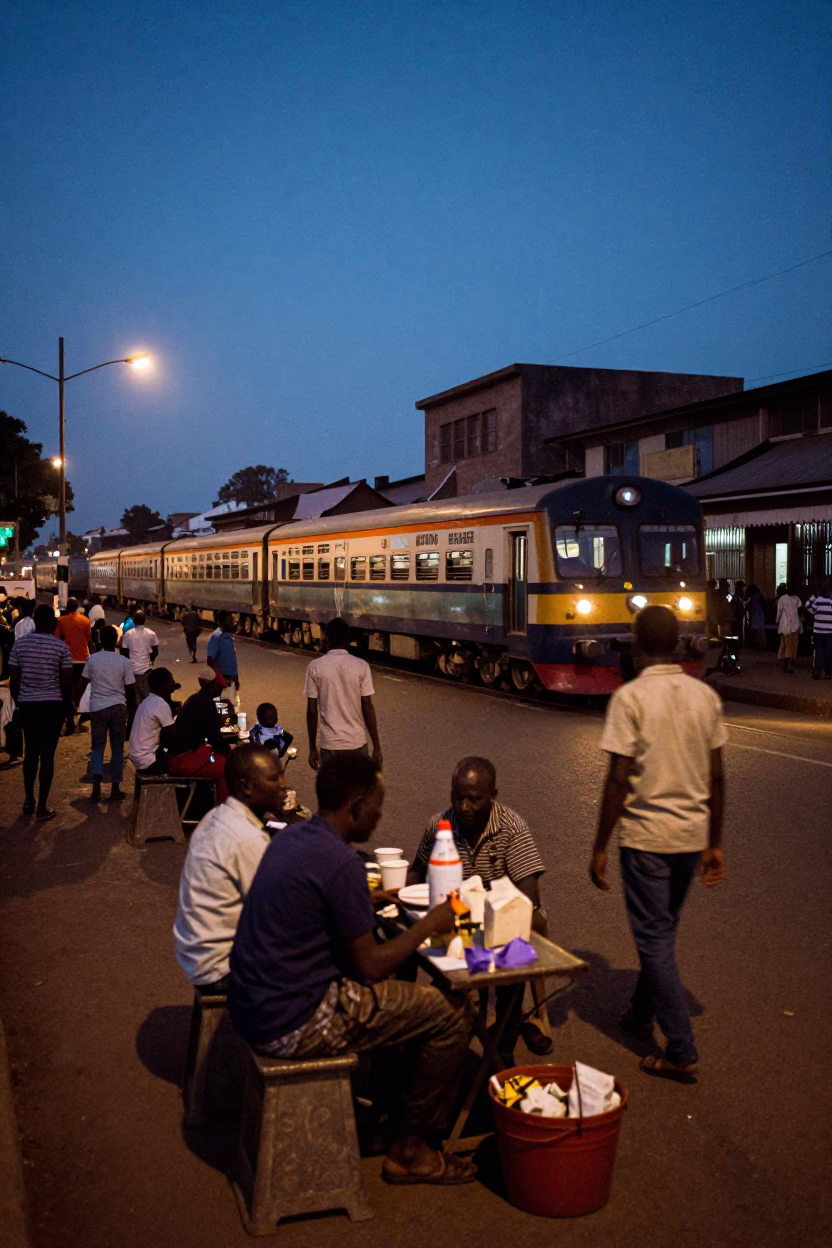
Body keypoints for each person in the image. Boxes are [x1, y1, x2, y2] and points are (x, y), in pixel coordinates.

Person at [229, 754, 476, 1186]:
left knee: (401, 1003)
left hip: (253, 1003)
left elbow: (319, 906)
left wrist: (361, 900)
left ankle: (386, 1114)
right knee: (451, 1012)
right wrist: (431, 926)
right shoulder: (340, 863)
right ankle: (411, 1149)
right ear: (356, 806)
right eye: (376, 808)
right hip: (290, 1020)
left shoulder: (295, 837)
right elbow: (369, 968)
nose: (379, 818)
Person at [590, 605, 726, 1082]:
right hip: (690, 839)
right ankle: (639, 1013)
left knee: (653, 939)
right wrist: (714, 844)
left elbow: (616, 782)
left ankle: (681, 1047)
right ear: (675, 643)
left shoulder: (630, 699)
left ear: (636, 641)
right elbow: (717, 777)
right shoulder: (703, 696)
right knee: (661, 933)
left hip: (647, 840)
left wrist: (600, 847)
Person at [408, 757, 549, 1058]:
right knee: (425, 963)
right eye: (458, 797)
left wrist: (488, 917)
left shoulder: (511, 828)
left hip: (502, 922)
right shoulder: (440, 825)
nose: (464, 807)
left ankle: (505, 1041)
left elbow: (530, 896)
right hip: (454, 924)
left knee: (511, 969)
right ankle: (440, 1032)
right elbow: (416, 872)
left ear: (493, 796)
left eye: (474, 799)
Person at [173, 747, 288, 991]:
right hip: (218, 968)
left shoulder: (219, 816)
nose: (284, 784)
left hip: (195, 952)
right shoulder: (246, 839)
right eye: (274, 778)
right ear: (246, 787)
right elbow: (275, 914)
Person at [7, 604, 74, 821]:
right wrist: (67, 712)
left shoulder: (19, 645)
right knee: (47, 757)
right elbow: (66, 684)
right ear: (54, 624)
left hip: (28, 706)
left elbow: (14, 680)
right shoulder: (61, 648)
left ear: (35, 622)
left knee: (31, 755)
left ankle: (28, 800)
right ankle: (42, 807)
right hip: (52, 707)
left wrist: (20, 701)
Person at [304, 616, 381, 770]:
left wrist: (312, 748)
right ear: (348, 639)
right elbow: (368, 707)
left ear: (326, 638)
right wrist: (376, 746)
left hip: (330, 745)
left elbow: (312, 711)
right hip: (357, 743)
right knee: (357, 791)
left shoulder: (315, 667)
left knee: (332, 792)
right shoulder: (361, 666)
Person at [79, 625, 136, 803]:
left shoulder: (93, 659)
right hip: (118, 708)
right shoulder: (124, 661)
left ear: (100, 641)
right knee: (117, 748)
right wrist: (132, 710)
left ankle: (96, 789)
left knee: (97, 747)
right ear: (116, 642)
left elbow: (82, 682)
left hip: (98, 708)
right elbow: (130, 689)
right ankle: (115, 788)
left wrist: (74, 702)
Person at [167, 668, 232, 802]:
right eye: (218, 688)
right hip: (183, 760)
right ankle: (223, 810)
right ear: (213, 686)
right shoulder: (205, 703)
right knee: (227, 768)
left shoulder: (195, 699)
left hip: (180, 754)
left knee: (219, 757)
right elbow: (215, 737)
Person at [128, 667, 180, 774]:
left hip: (137, 756)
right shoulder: (160, 704)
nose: (173, 683)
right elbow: (173, 736)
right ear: (164, 684)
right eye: (171, 680)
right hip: (148, 760)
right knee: (181, 763)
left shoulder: (148, 700)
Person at [55, 597, 92, 731]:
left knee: (68, 689)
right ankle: (81, 713)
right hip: (82, 657)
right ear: (76, 608)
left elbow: (57, 637)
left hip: (67, 659)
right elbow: (89, 638)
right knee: (81, 687)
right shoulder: (85, 620)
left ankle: (71, 717)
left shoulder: (61, 621)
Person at [119, 609, 159, 702]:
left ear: (134, 620)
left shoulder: (128, 634)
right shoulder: (151, 633)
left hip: (132, 670)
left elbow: (124, 652)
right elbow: (155, 651)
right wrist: (151, 660)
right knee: (146, 696)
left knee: (134, 698)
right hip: (146, 669)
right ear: (145, 620)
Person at [207, 612, 239, 696]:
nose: (232, 623)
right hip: (222, 679)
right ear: (222, 621)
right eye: (229, 620)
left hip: (231, 679)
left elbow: (232, 659)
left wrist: (236, 678)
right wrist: (220, 678)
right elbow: (210, 660)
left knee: (230, 704)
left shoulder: (228, 636)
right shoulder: (216, 637)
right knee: (221, 705)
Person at [806, 580, 832, 679]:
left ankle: (819, 672)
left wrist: (814, 595)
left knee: (819, 652)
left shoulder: (818, 600)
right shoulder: (830, 601)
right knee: (827, 653)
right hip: (828, 632)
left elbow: (808, 606)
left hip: (819, 632)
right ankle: (827, 673)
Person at [775, 584, 802, 674]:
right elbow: (799, 611)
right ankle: (788, 665)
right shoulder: (796, 599)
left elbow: (779, 612)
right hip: (792, 626)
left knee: (788, 646)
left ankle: (787, 665)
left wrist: (777, 621)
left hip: (787, 626)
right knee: (791, 646)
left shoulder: (783, 599)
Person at [745, 584, 767, 650]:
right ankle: (761, 644)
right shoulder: (760, 596)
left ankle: (757, 644)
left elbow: (748, 607)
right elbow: (765, 606)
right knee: (760, 631)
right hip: (759, 616)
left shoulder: (752, 598)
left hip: (755, 616)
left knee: (756, 631)